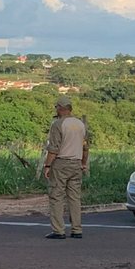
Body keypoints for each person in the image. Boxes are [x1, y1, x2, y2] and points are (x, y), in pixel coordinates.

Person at [41, 96, 89, 239]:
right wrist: (83, 163)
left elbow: (54, 149)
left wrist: (48, 165)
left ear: (60, 108)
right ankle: (77, 229)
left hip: (61, 163)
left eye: (56, 107)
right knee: (74, 197)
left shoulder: (58, 124)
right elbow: (85, 147)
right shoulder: (81, 124)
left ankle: (58, 230)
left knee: (56, 196)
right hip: (76, 163)